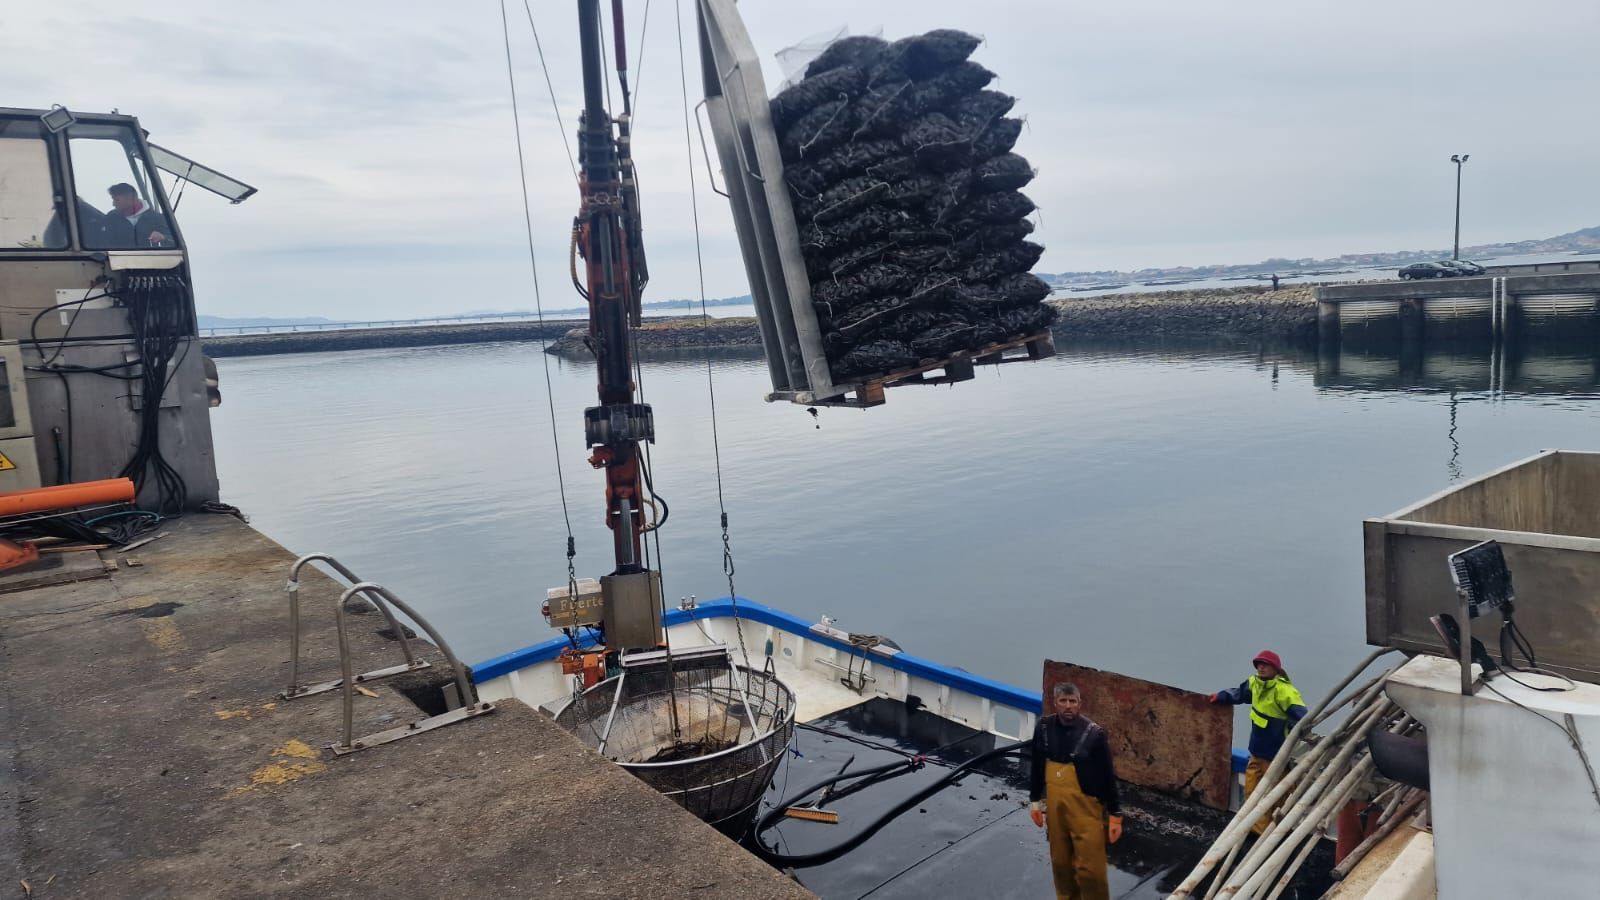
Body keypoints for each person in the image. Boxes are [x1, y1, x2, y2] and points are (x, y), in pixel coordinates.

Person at [1029, 682, 1123, 900]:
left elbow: (1107, 775)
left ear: (1080, 703)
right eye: (1063, 701)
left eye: (1072, 701)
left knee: (1091, 869)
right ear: (1055, 703)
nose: (1068, 706)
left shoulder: (1095, 734)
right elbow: (1037, 765)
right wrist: (1034, 800)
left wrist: (1115, 814)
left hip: (1087, 807)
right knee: (1060, 863)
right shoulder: (1043, 728)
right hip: (1055, 806)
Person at [1210, 650, 1307, 834]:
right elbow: (1240, 694)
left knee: (1275, 796)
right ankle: (1258, 832)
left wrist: (1294, 736)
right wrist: (1221, 696)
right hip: (1256, 751)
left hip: (1276, 756)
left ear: (1275, 668)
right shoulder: (1254, 684)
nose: (1261, 668)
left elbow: (1303, 718)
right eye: (1258, 664)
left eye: (1265, 665)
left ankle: (1273, 832)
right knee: (1252, 793)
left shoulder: (1284, 691)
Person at [98, 182, 173, 248]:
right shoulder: (111, 218)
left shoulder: (157, 218)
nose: (113, 204)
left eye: (116, 200)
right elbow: (100, 242)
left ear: (130, 198)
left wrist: (163, 237)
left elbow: (175, 242)